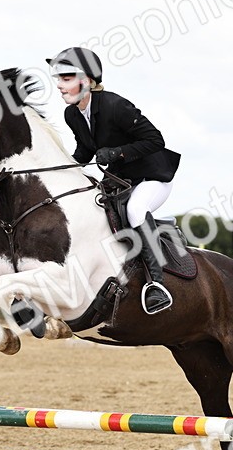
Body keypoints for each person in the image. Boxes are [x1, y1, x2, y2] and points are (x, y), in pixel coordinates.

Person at [47, 46, 182, 315]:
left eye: (66, 79)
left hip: (152, 177)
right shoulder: (72, 114)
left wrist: (117, 152)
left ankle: (157, 284)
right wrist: (61, 167)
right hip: (122, 181)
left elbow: (155, 140)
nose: (59, 86)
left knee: (135, 210)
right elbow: (84, 151)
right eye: (59, 79)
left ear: (86, 81)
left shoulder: (115, 106)